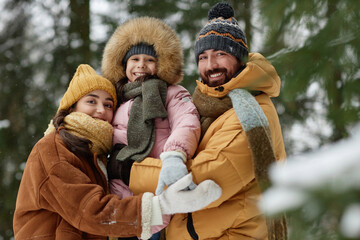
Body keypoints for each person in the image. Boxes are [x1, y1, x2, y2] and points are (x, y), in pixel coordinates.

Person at [124, 2, 288, 240]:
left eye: (220, 54)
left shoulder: (251, 111)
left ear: (240, 58)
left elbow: (202, 177)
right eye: (203, 57)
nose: (211, 66)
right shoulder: (207, 108)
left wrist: (128, 171)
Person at [12, 64, 222, 240]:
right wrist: (161, 206)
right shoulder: (55, 149)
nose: (101, 110)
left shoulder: (95, 152)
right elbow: (90, 210)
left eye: (108, 104)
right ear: (72, 107)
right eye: (91, 101)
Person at [101, 17, 201, 239]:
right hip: (119, 189)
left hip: (154, 183)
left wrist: (174, 154)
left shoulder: (172, 93)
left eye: (149, 59)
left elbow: (187, 120)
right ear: (123, 64)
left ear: (162, 63)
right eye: (134, 58)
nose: (141, 65)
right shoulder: (115, 97)